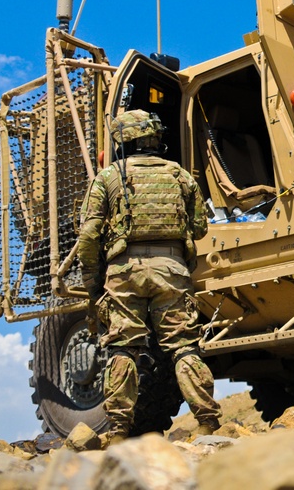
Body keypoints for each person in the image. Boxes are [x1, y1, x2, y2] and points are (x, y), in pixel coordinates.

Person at [76, 109, 221, 444]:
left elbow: (88, 237)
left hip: (124, 273)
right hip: (172, 270)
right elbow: (200, 227)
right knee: (183, 346)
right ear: (155, 137)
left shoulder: (109, 177)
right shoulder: (180, 175)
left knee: (123, 349)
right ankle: (208, 423)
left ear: (122, 141)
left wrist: (92, 284)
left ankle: (118, 432)